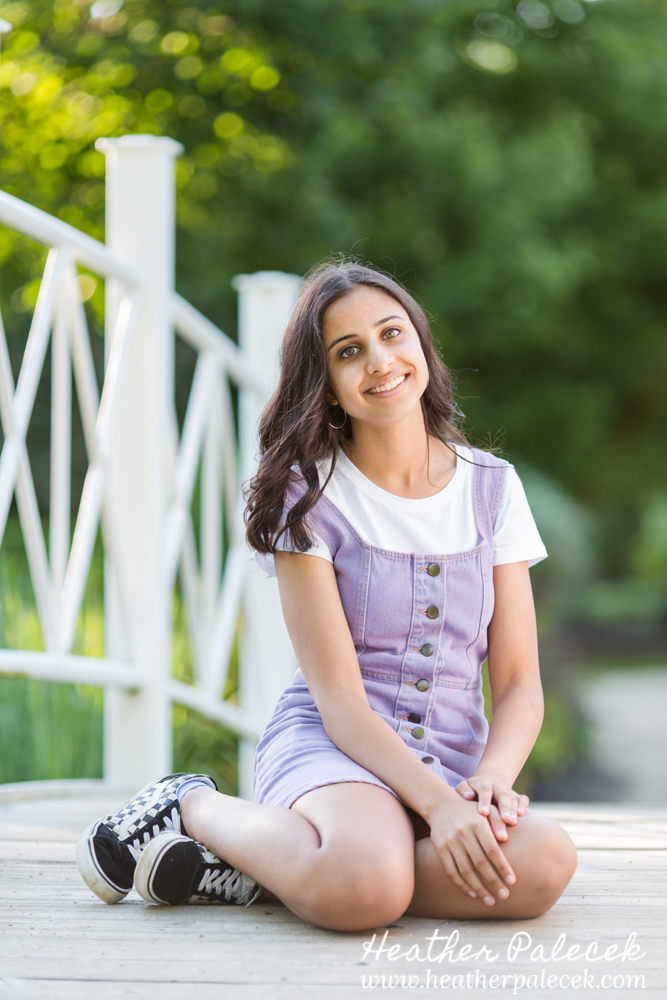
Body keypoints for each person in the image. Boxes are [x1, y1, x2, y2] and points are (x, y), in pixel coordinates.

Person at [77, 261, 577, 930]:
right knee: (366, 886)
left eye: (391, 334)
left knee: (543, 863)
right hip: (335, 750)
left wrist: (488, 779)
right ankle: (191, 805)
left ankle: (273, 874)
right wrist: (440, 808)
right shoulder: (307, 497)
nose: (379, 361)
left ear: (421, 345)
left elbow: (517, 682)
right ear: (330, 388)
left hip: (453, 762)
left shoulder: (492, 488)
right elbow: (339, 701)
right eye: (349, 352)